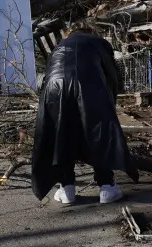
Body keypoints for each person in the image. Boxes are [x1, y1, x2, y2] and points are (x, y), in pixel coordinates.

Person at [31, 24, 137, 205]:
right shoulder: (99, 42)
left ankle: (67, 189)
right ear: (91, 32)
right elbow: (111, 76)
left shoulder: (60, 46)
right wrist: (110, 103)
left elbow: (50, 73)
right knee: (98, 131)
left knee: (62, 132)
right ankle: (107, 187)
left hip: (54, 88)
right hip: (89, 85)